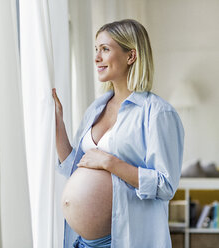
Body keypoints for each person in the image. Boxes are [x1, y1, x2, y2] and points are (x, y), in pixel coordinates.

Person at [52, 19, 184, 248]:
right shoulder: (96, 108)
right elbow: (72, 167)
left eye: (105, 49)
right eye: (96, 49)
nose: (96, 58)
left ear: (131, 56)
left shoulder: (157, 113)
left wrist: (109, 162)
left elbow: (165, 185)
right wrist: (57, 123)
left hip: (122, 239)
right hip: (81, 241)